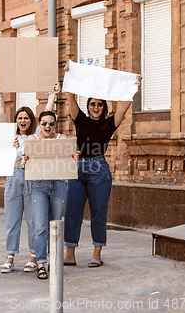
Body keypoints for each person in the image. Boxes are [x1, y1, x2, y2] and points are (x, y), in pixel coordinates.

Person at [61, 62, 141, 268]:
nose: (95, 107)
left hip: (98, 169)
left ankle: (97, 253)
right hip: (77, 168)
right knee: (72, 211)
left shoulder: (109, 123)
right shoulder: (80, 119)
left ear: (104, 107)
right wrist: (67, 76)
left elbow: (124, 106)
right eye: (92, 104)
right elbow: (70, 96)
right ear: (88, 106)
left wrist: (133, 88)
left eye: (99, 105)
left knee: (98, 211)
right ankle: (70, 253)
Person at [0, 80, 59, 274]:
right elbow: (1, 113)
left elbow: (47, 113)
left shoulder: (37, 135)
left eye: (26, 118)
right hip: (13, 177)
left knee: (34, 220)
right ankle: (10, 257)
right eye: (20, 118)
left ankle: (33, 256)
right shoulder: (10, 135)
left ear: (32, 121)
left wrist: (53, 95)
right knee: (11, 220)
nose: (23, 121)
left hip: (33, 177)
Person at [22, 109, 70, 279]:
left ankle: (54, 261)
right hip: (39, 185)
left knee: (55, 226)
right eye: (44, 123)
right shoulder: (31, 140)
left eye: (51, 123)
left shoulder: (62, 139)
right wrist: (24, 160)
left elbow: (68, 159)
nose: (47, 126)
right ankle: (41, 263)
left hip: (58, 185)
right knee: (40, 226)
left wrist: (74, 157)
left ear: (55, 124)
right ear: (39, 125)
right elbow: (27, 160)